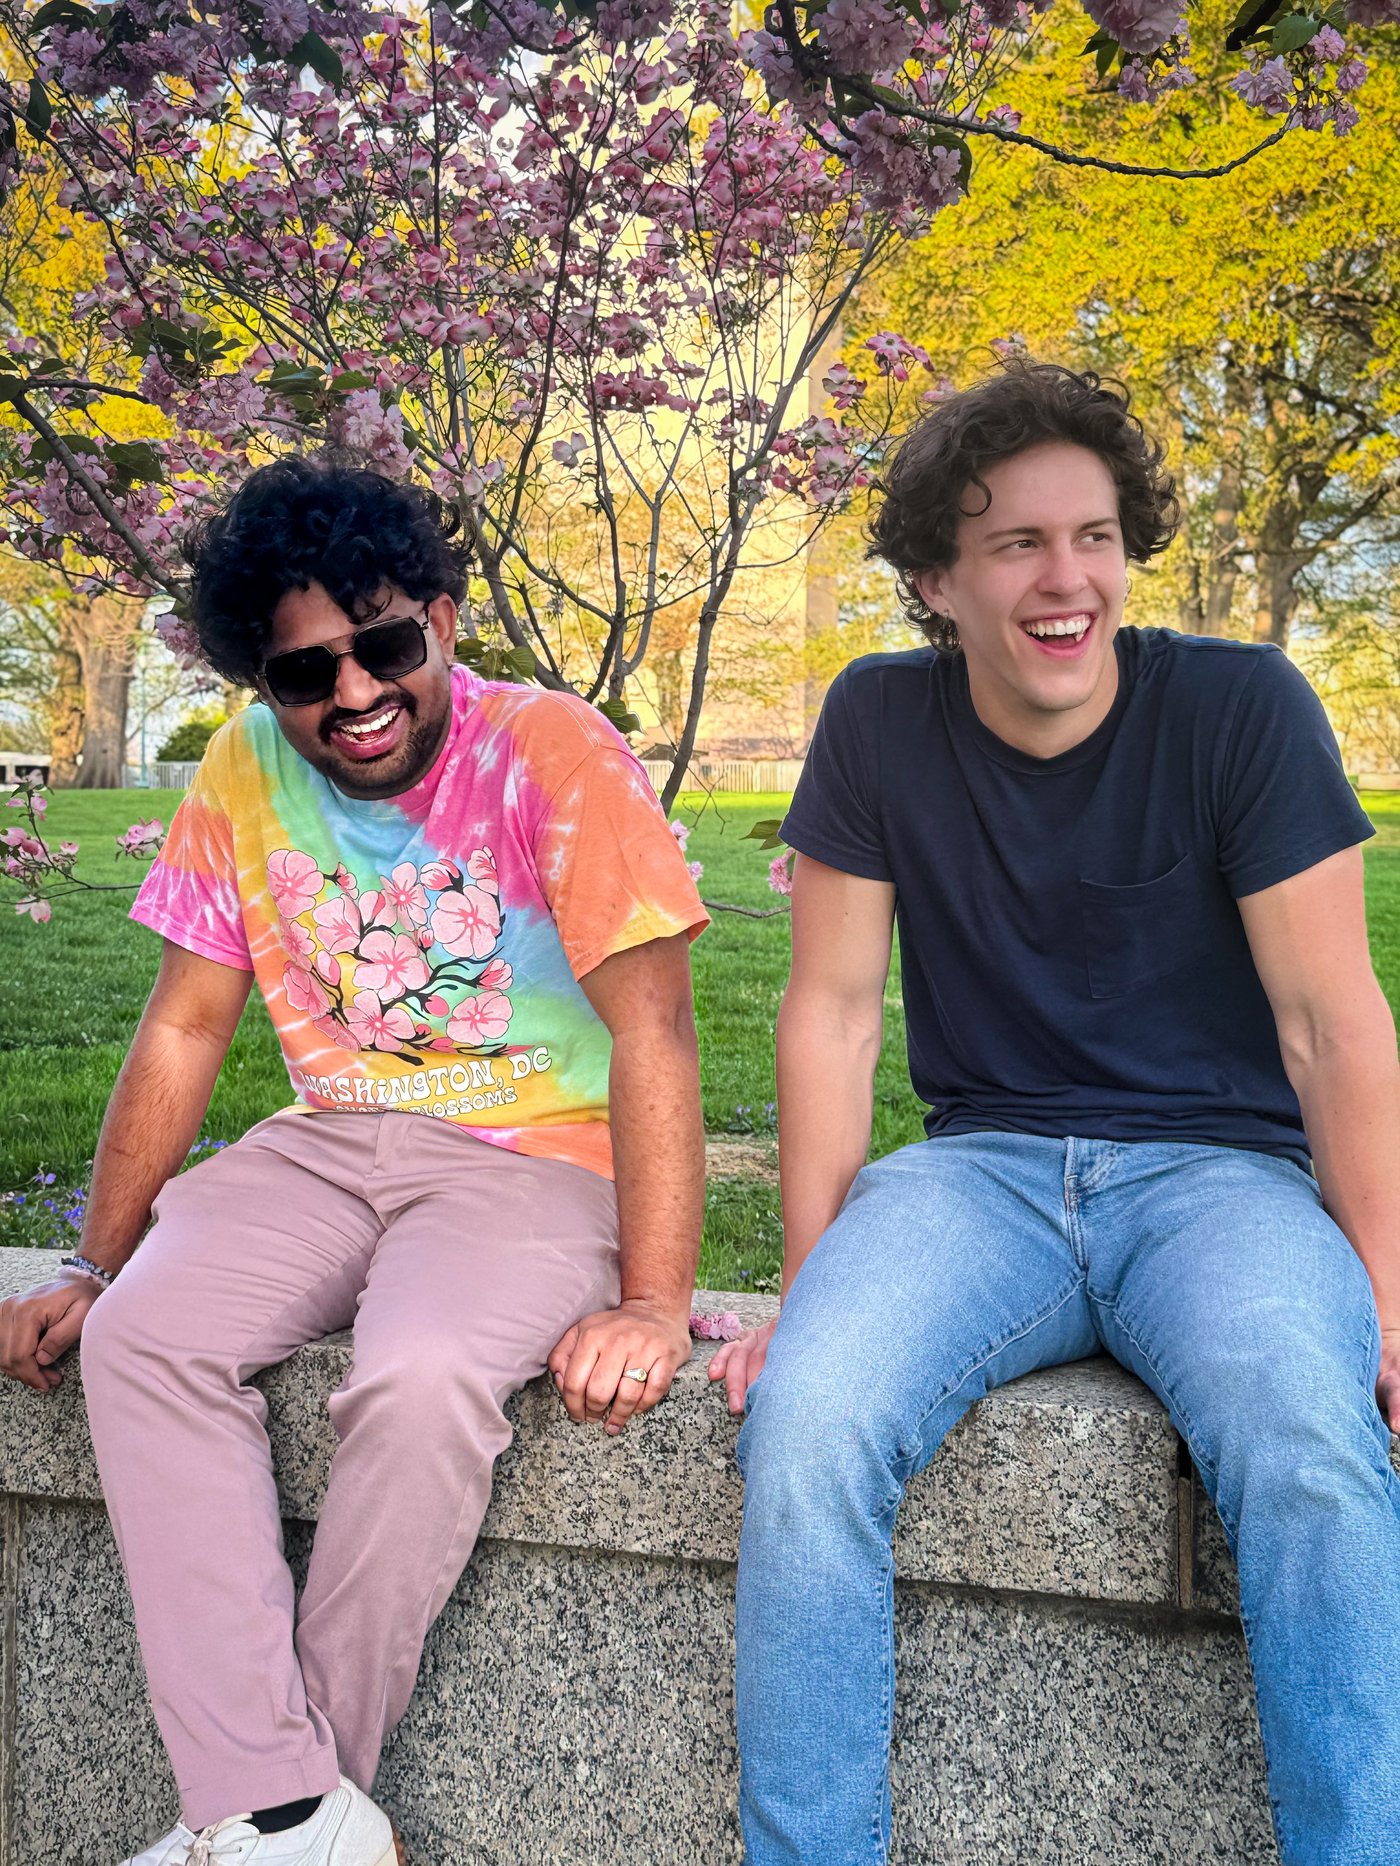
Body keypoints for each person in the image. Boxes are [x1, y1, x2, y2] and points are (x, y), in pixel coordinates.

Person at [709, 362, 1400, 1866]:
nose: (1064, 577)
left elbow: (1331, 1021)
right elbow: (829, 1011)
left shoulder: (1239, 708)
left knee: (1308, 1429)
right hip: (983, 1175)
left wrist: (1389, 1307)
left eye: (1094, 535)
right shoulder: (878, 723)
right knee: (810, 1417)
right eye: (1016, 542)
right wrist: (806, 1284)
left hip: (1223, 1181)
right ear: (937, 580)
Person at [0, 458, 708, 1866]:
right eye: (306, 672)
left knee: (421, 1375)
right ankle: (299, 1819)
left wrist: (654, 1298)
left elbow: (659, 1031)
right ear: (266, 682)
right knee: (141, 1339)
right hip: (327, 1143)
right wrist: (95, 1259)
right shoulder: (243, 767)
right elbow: (187, 1024)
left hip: (533, 1153)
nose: (355, 694)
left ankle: (269, 1820)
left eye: (384, 646)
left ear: (441, 617)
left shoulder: (553, 749)